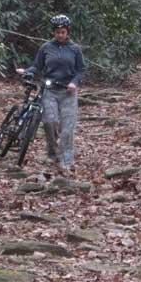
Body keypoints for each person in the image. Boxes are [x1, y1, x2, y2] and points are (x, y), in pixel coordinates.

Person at [16, 14, 85, 172]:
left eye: (63, 32)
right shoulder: (46, 48)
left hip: (68, 92)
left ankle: (67, 160)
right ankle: (52, 153)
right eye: (57, 32)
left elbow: (81, 70)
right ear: (53, 32)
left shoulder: (75, 49)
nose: (60, 35)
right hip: (50, 90)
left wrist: (74, 82)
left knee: (67, 128)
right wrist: (27, 72)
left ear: (68, 32)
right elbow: (37, 66)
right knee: (49, 122)